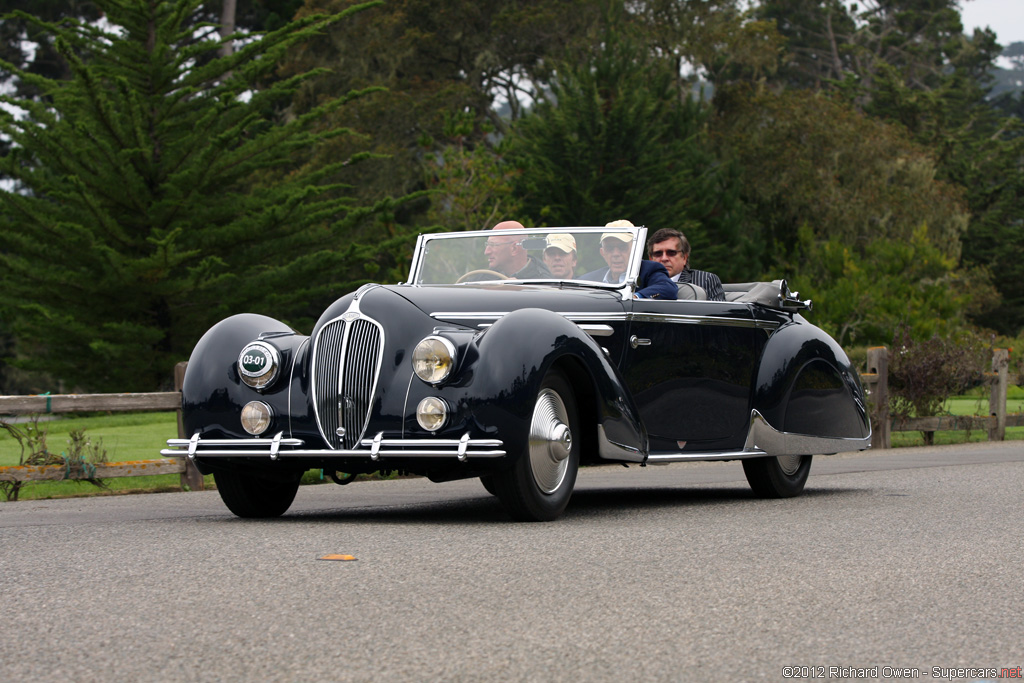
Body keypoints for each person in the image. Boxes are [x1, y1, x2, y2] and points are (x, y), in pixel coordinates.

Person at [581, 220, 676, 300]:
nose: (616, 254)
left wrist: (635, 297)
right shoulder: (590, 279)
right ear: (603, 253)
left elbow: (668, 288)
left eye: (622, 247)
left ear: (635, 250)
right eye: (610, 248)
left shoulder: (648, 270)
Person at [646, 227, 725, 302]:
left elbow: (718, 314)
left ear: (684, 258)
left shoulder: (705, 280)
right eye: (658, 254)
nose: (664, 258)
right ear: (651, 259)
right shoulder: (639, 283)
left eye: (671, 253)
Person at [485, 221, 552, 278]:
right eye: (487, 245)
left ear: (514, 249)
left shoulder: (543, 283)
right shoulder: (485, 278)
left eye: (493, 245)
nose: (486, 252)